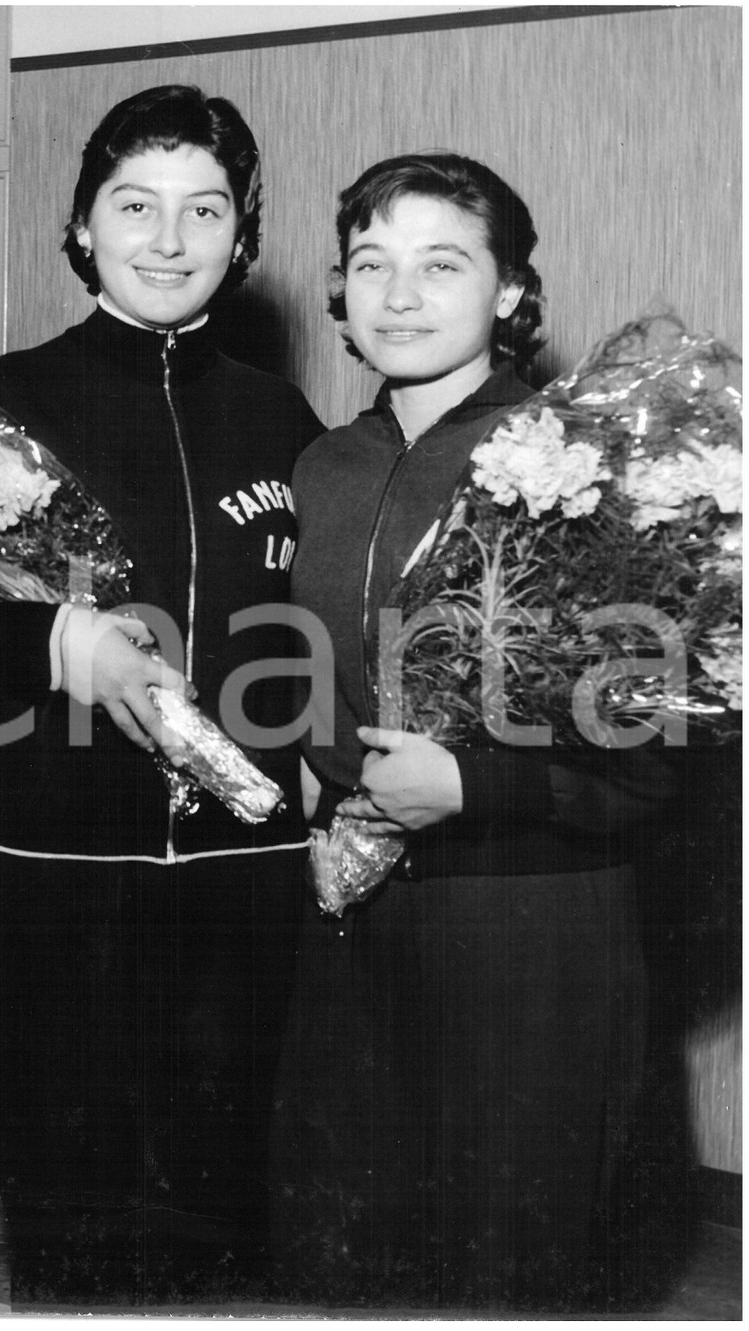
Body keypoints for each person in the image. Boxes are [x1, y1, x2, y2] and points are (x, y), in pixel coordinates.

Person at [0, 85, 324, 1308]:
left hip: (242, 890)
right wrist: (56, 643)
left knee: (226, 1212)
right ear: (83, 225)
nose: (169, 238)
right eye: (135, 205)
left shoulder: (280, 415)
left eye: (205, 209)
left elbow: (316, 631)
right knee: (68, 1217)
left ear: (242, 238)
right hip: (54, 885)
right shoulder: (3, 401)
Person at [269, 153, 674, 1312]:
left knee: (512, 1269)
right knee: (355, 1256)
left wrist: (473, 787)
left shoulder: (578, 464)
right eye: (370, 265)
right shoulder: (323, 464)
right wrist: (310, 756)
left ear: (509, 291)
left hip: (531, 920)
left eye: (440, 265)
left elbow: (659, 759)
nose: (398, 296)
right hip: (356, 917)